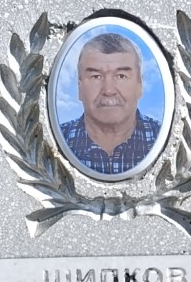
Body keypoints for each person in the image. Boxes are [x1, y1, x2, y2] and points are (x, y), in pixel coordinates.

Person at [59, 30, 161, 175]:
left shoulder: (164, 139)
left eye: (121, 76)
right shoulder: (55, 140)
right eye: (96, 76)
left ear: (140, 85)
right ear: (79, 88)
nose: (108, 90)